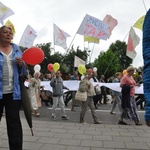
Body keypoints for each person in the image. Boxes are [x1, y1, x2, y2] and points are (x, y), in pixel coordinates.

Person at [0, 26, 27, 150]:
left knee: (14, 124)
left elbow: (24, 70)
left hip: (13, 93)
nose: (8, 34)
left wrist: (22, 64)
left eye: (10, 33)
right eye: (5, 32)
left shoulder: (16, 48)